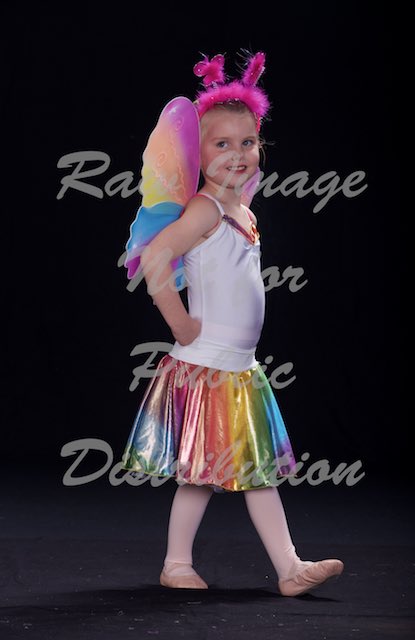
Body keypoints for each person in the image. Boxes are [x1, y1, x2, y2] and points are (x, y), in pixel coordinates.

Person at [121, 51, 344, 596]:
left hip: (240, 369)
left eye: (248, 143)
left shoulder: (241, 209)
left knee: (239, 472)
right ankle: (192, 564)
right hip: (208, 366)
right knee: (211, 475)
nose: (237, 155)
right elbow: (155, 258)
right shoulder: (205, 210)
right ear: (197, 154)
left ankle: (277, 568)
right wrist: (179, 323)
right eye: (221, 145)